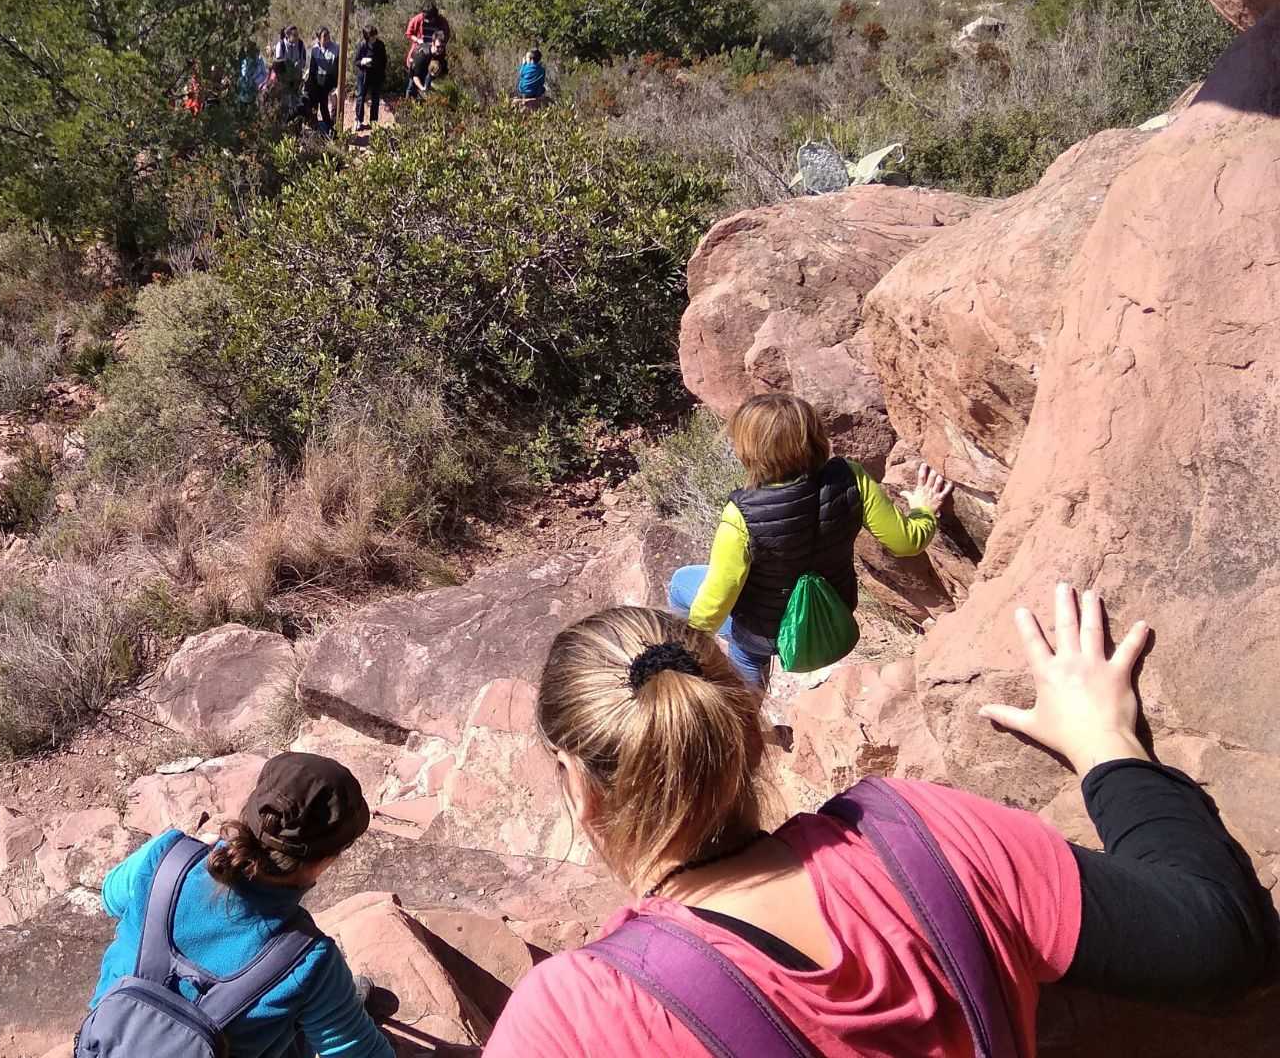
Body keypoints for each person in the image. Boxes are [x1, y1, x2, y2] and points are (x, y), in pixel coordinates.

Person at [485, 591, 1276, 1055]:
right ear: (747, 727)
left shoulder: (574, 1021)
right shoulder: (919, 836)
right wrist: (1107, 744)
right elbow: (1217, 940)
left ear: (577, 787)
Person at [87, 753, 395, 1058]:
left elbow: (110, 898)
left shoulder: (165, 857)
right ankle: (335, 1009)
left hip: (111, 1042)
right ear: (326, 860)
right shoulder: (309, 960)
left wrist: (190, 854)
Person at [670, 393, 949, 690]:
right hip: (831, 619)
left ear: (751, 450)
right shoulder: (851, 478)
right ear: (814, 436)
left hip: (768, 635)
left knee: (681, 583)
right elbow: (907, 542)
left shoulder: (741, 514)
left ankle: (742, 708)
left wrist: (684, 650)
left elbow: (717, 597)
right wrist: (923, 510)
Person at [305, 27, 340, 131]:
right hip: (317, 82)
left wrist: (337, 85)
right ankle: (315, 128)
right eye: (324, 36)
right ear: (319, 38)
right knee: (314, 105)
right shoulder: (315, 49)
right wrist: (310, 84)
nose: (327, 38)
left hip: (330, 82)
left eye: (328, 35)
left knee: (327, 106)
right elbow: (312, 68)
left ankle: (332, 128)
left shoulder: (336, 48)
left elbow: (338, 68)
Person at [353, 26, 386, 131]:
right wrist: (363, 62)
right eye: (372, 36)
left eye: (375, 35)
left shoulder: (380, 45)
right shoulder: (362, 45)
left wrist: (377, 66)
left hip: (376, 75)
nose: (374, 37)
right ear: (367, 37)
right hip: (364, 75)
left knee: (375, 99)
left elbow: (384, 60)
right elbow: (356, 61)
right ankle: (358, 120)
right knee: (360, 97)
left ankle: (374, 121)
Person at [271, 26, 306, 119]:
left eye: (297, 35)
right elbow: (278, 64)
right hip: (284, 82)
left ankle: (295, 128)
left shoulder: (300, 45)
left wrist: (300, 64)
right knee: (285, 106)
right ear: (287, 35)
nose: (297, 37)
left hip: (296, 82)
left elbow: (304, 60)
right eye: (294, 35)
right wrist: (289, 66)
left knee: (296, 106)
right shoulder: (281, 45)